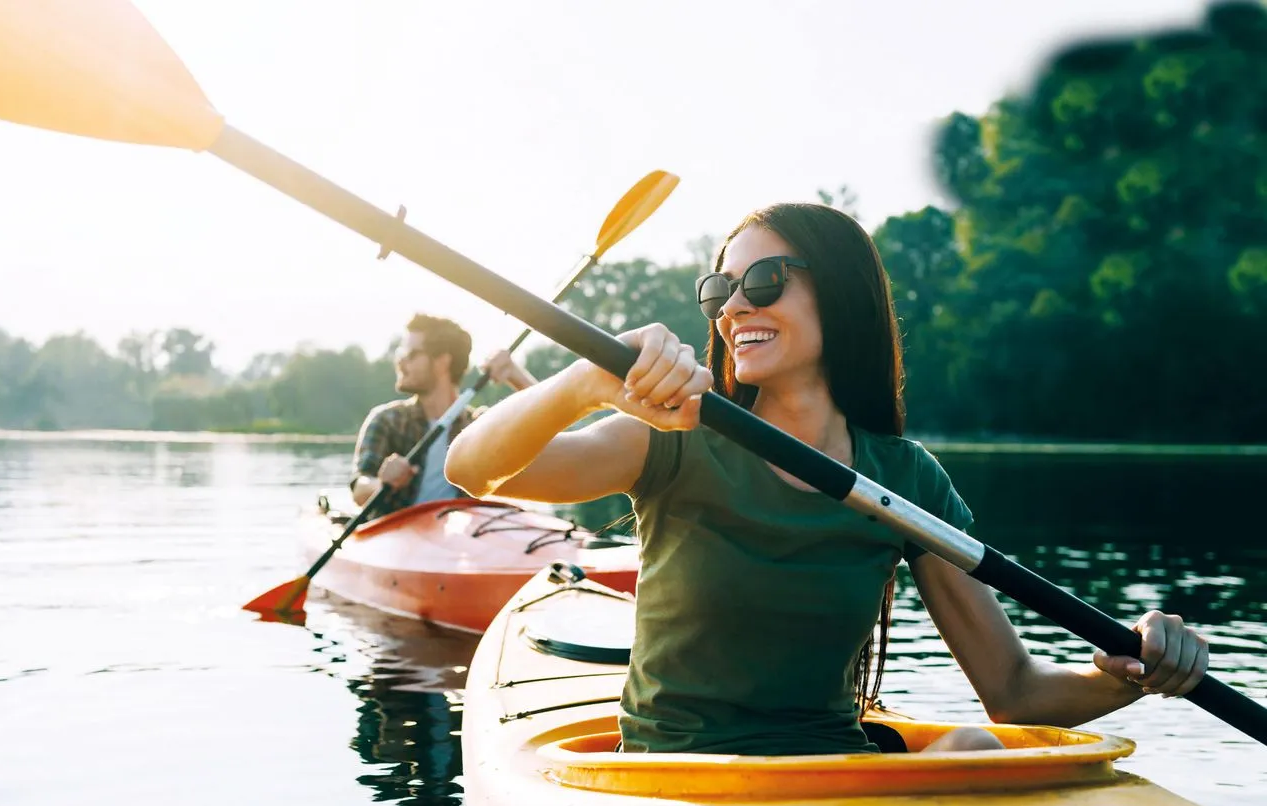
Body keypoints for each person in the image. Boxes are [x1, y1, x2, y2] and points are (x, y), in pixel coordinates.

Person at [444, 203, 1209, 756]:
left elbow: (1013, 690)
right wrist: (584, 382)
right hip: (675, 782)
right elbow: (472, 468)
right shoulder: (674, 436)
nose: (736, 304)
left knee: (974, 744)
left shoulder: (906, 481)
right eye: (721, 291)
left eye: (766, 280)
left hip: (832, 774)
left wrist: (1133, 670)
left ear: (839, 294)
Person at [351, 312, 535, 517]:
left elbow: (548, 425)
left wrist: (515, 374)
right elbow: (359, 489)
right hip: (396, 536)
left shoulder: (479, 427)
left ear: (442, 362)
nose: (401, 363)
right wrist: (382, 482)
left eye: (410, 355)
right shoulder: (386, 420)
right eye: (400, 354)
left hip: (459, 540)